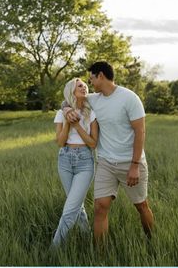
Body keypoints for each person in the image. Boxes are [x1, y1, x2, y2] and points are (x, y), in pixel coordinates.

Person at [64, 61, 154, 243]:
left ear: (101, 76)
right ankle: (100, 256)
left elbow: (140, 132)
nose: (89, 83)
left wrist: (135, 165)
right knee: (100, 207)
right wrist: (65, 108)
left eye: (91, 78)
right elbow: (70, 98)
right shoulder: (94, 99)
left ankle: (152, 240)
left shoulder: (130, 98)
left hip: (130, 163)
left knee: (141, 206)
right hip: (105, 163)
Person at [52, 78, 98, 246]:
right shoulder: (60, 113)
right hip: (65, 159)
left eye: (85, 85)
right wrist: (67, 122)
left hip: (85, 162)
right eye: (80, 86)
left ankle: (53, 251)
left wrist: (78, 126)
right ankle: (86, 237)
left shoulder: (91, 113)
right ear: (71, 90)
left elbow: (93, 143)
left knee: (70, 209)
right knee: (76, 205)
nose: (84, 87)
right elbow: (60, 142)